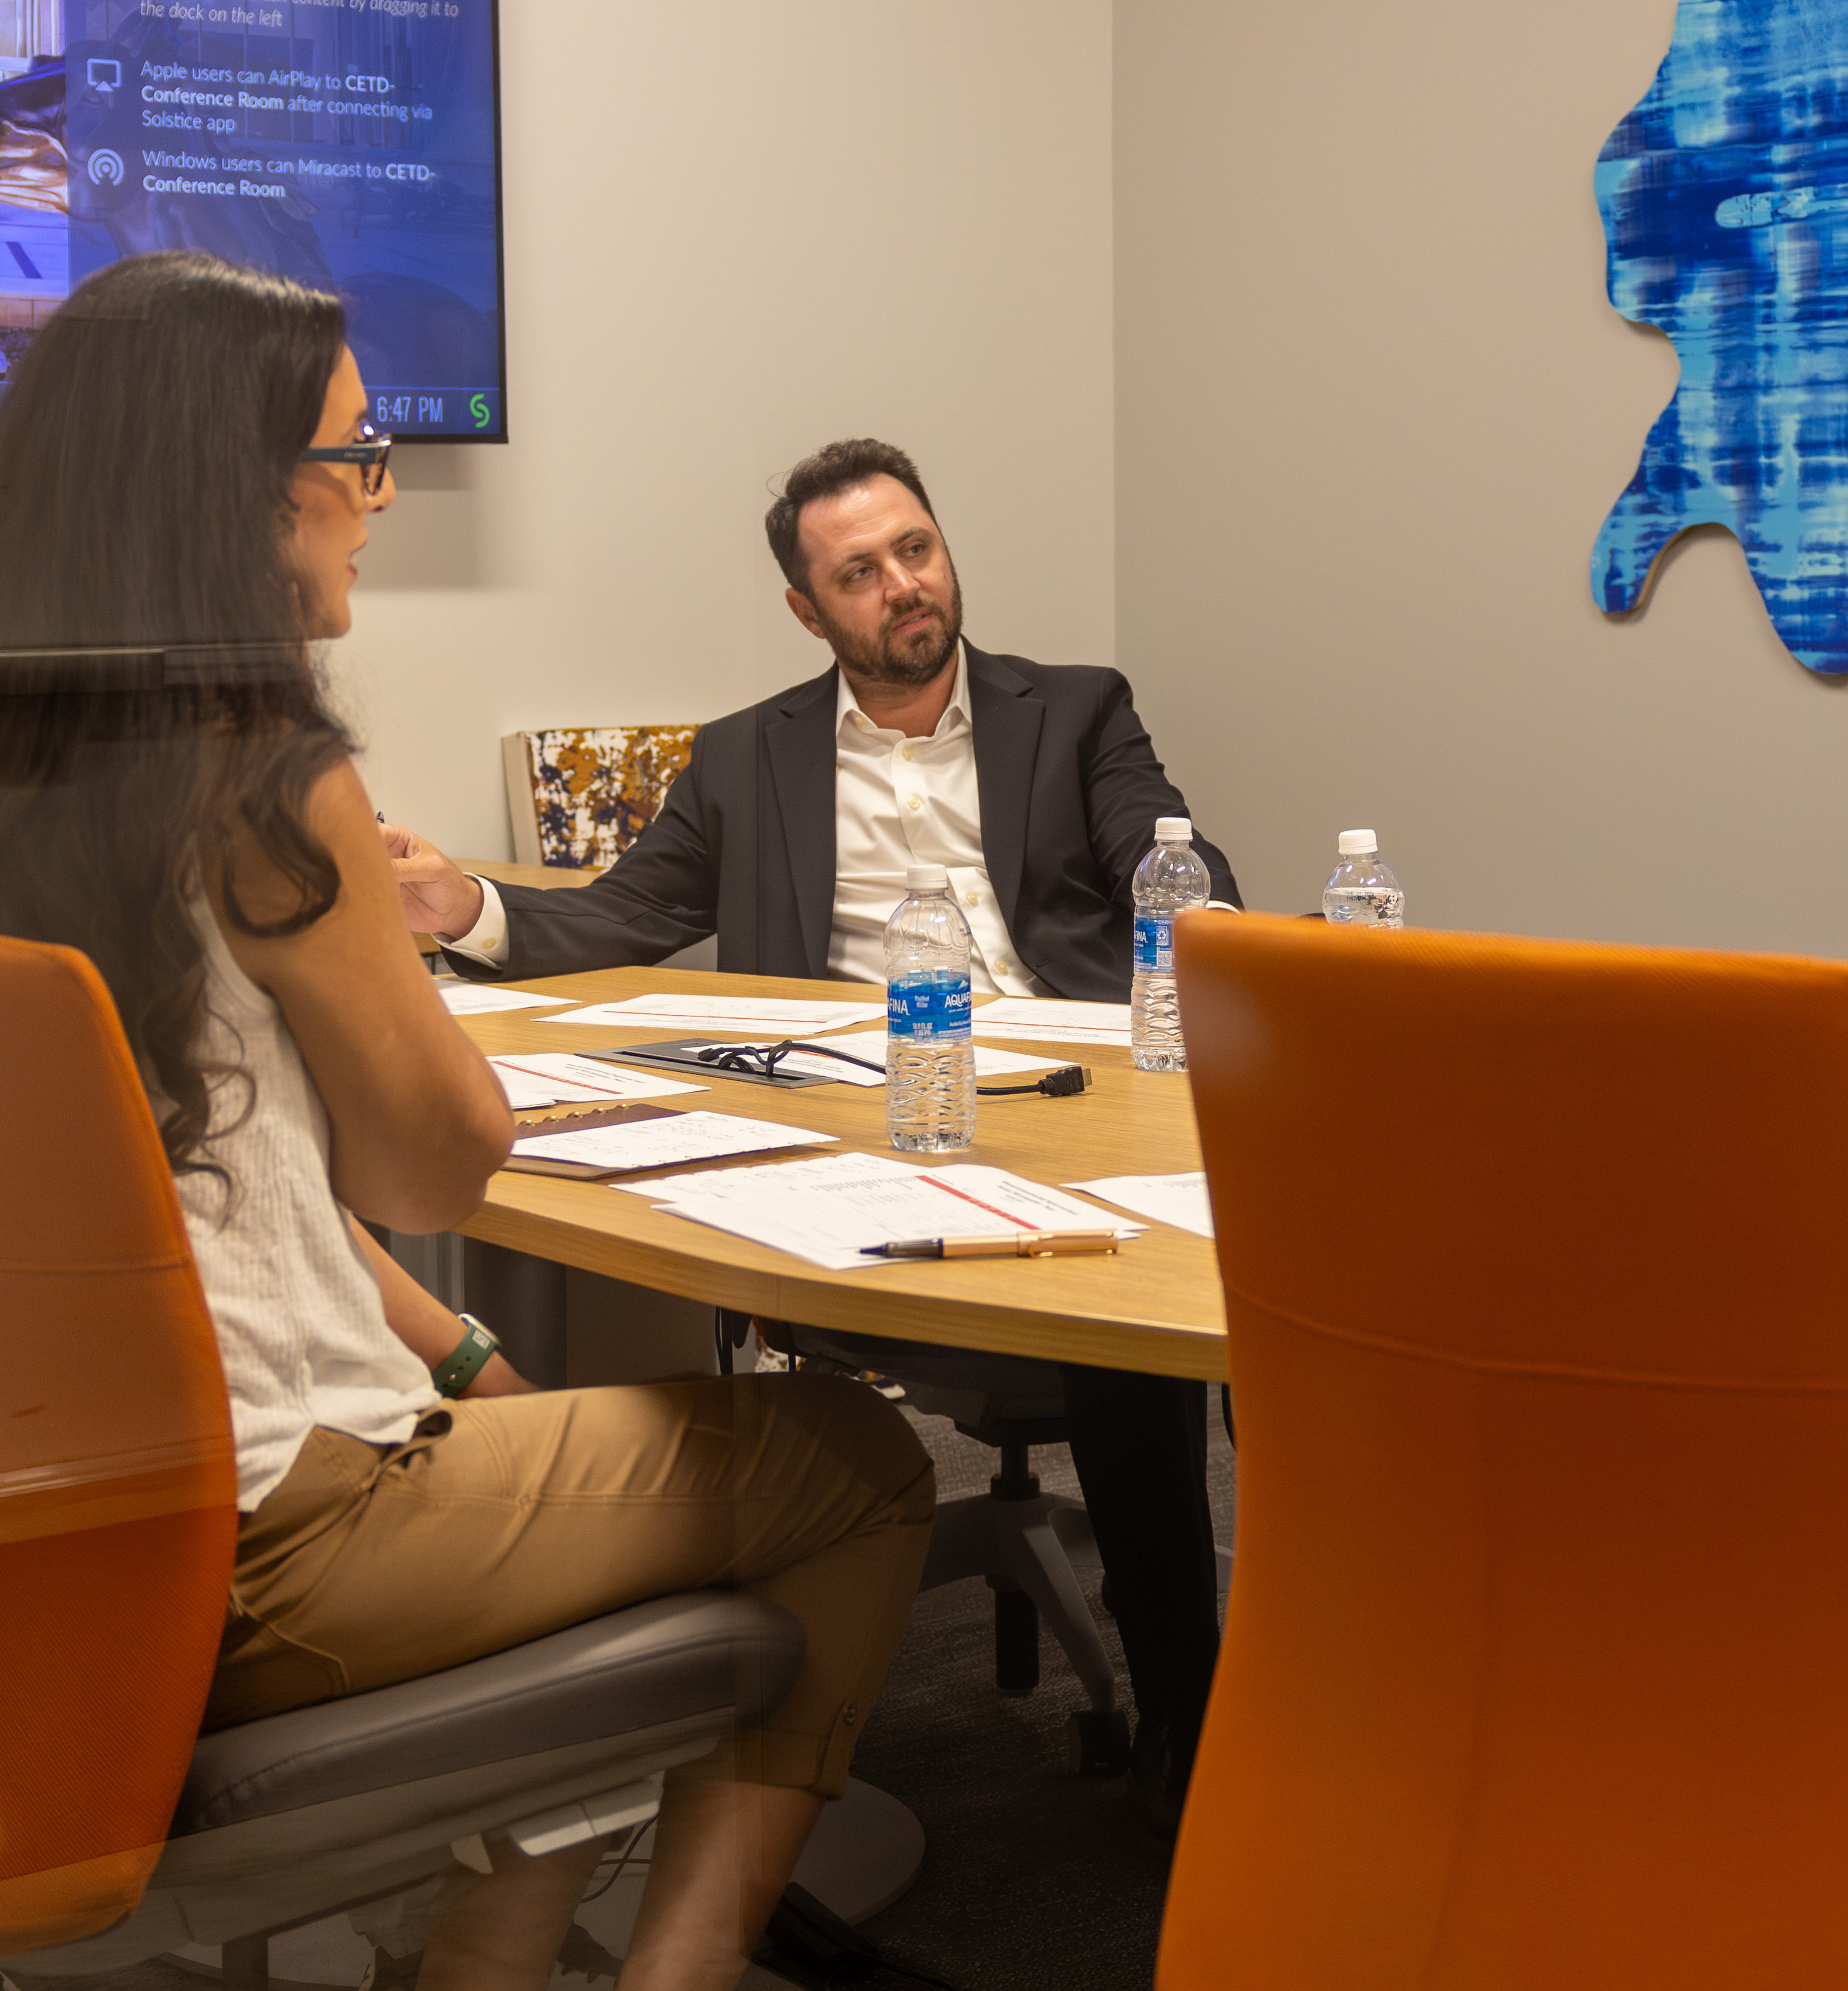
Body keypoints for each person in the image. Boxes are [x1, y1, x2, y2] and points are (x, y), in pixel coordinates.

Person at [0, 254, 934, 1991]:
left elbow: (187, 1180)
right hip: (254, 1549)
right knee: (851, 1462)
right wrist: (403, 982)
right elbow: (436, 1154)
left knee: (562, 1430)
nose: (380, 497)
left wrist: (465, 1345)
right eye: (358, 455)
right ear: (238, 487)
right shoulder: (253, 761)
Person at [414, 438, 1240, 1831]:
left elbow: (1170, 857)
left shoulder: (1077, 708)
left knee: (1172, 1304)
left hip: (1083, 1099)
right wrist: (465, 908)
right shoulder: (748, 755)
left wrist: (1203, 905)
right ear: (810, 610)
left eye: (914, 548)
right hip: (869, 1122)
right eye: (860, 572)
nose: (904, 586)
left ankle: (1203, 1709)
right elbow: (623, 915)